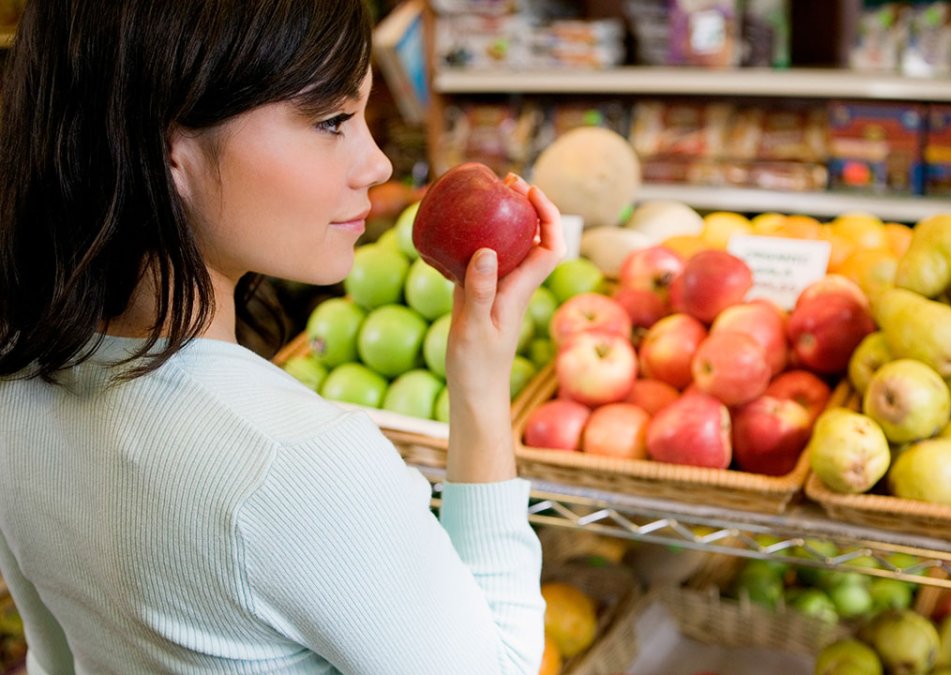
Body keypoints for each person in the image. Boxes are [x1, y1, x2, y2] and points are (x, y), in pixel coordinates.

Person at [0, 1, 563, 673]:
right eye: (331, 121)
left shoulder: (17, 386)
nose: (378, 165)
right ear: (166, 150)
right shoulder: (297, 460)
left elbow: (54, 661)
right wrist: (482, 389)